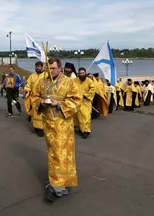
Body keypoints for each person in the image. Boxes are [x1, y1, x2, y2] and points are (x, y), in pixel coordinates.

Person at [32, 58, 82, 202]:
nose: (51, 71)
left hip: (63, 125)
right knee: (53, 154)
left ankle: (57, 185)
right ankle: (58, 183)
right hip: (48, 124)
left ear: (60, 68)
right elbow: (34, 96)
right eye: (49, 68)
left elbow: (77, 101)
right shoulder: (43, 81)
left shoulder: (69, 82)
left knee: (61, 154)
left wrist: (59, 104)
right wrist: (40, 102)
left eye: (53, 68)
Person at [23, 61, 46, 137]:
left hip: (42, 98)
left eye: (39, 66)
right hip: (34, 98)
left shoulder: (45, 75)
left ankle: (41, 129)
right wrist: (26, 89)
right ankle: (36, 127)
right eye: (36, 66)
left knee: (41, 114)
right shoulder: (32, 76)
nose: (37, 68)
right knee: (35, 113)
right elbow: (28, 84)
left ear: (42, 67)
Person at [73, 67, 95, 139]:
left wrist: (85, 96)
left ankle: (86, 131)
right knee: (77, 116)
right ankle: (80, 128)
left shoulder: (89, 81)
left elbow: (92, 90)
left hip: (86, 102)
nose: (82, 74)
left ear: (85, 73)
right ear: (78, 74)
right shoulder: (74, 80)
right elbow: (71, 88)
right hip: (77, 101)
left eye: (83, 73)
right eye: (80, 73)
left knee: (86, 116)